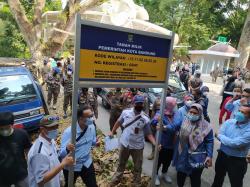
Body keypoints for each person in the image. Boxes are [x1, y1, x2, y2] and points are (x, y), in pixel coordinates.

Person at [109, 95, 156, 186]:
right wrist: (112, 131)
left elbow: (149, 133)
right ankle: (116, 179)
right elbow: (118, 122)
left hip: (137, 147)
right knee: (121, 163)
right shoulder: (126, 112)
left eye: (141, 104)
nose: (139, 105)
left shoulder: (145, 118)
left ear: (143, 105)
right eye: (138, 103)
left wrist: (154, 143)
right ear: (134, 103)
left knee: (137, 166)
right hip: (125, 143)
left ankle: (136, 183)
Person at [173, 104, 214, 187]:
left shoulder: (206, 126)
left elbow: (209, 141)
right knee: (181, 174)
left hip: (198, 156)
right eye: (190, 112)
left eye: (195, 113)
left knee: (195, 178)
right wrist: (165, 127)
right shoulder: (184, 121)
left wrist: (209, 156)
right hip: (183, 154)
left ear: (200, 114)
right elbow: (173, 126)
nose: (192, 114)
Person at [28, 115, 74, 187]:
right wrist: (63, 164)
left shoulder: (51, 141)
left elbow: (55, 157)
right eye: (52, 128)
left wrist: (67, 149)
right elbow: (41, 180)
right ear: (42, 129)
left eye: (56, 126)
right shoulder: (39, 153)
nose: (55, 129)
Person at [212, 104, 250, 187]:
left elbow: (235, 143)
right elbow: (221, 132)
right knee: (218, 178)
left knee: (236, 182)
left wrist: (220, 136)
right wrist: (223, 137)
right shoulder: (229, 122)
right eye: (239, 111)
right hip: (222, 156)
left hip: (237, 161)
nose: (239, 114)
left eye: (243, 113)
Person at [60, 105, 98, 187]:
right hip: (72, 166)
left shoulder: (92, 126)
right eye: (89, 117)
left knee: (93, 185)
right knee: (69, 184)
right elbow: (61, 154)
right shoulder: (69, 132)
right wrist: (67, 148)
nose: (92, 119)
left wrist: (96, 143)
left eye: (92, 116)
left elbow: (92, 141)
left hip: (87, 163)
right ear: (80, 118)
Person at [152, 97, 182, 185]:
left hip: (172, 142)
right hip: (162, 142)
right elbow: (152, 123)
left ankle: (164, 173)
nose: (175, 106)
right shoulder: (160, 113)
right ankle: (156, 174)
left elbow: (177, 124)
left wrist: (165, 127)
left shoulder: (176, 113)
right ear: (169, 105)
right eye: (173, 104)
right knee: (159, 159)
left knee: (168, 160)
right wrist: (155, 121)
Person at [0, 111, 32, 187]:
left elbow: (28, 152)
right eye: (1, 128)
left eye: (7, 128)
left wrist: (31, 168)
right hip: (2, 177)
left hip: (21, 175)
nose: (4, 130)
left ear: (12, 125)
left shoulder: (22, 134)